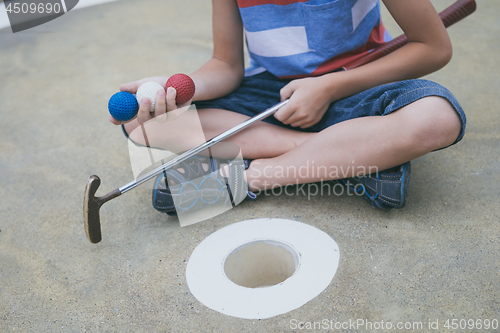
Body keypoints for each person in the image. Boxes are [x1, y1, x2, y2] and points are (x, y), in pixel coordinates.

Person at [111, 0, 466, 213]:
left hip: (359, 83)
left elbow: (434, 47)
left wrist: (328, 87)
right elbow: (226, 65)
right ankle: (353, 158)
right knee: (143, 124)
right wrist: (176, 90)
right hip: (275, 92)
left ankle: (244, 180)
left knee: (436, 118)